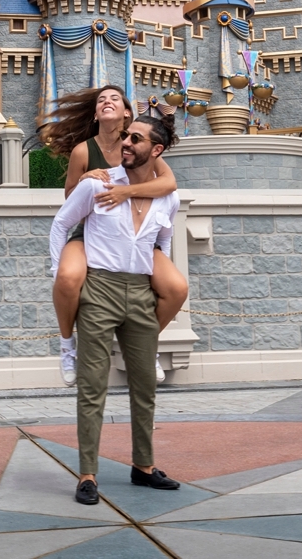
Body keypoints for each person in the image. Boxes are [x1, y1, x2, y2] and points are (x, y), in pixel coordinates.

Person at [49, 114, 184, 505]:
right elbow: (61, 223)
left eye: (135, 138)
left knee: (145, 388)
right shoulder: (98, 183)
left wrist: (156, 280)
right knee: (92, 388)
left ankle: (144, 466)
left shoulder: (168, 197)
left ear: (155, 150)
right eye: (126, 135)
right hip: (100, 291)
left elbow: (163, 242)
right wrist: (59, 273)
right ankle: (87, 475)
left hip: (141, 294)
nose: (125, 142)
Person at [39, 86, 189, 387]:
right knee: (67, 277)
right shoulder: (84, 151)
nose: (107, 102)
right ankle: (67, 347)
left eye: (114, 99)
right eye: (101, 100)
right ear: (96, 114)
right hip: (93, 230)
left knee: (176, 287)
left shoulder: (138, 144)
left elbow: (169, 184)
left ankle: (145, 345)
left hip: (136, 232)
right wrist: (85, 178)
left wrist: (125, 192)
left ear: (127, 113)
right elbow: (71, 201)